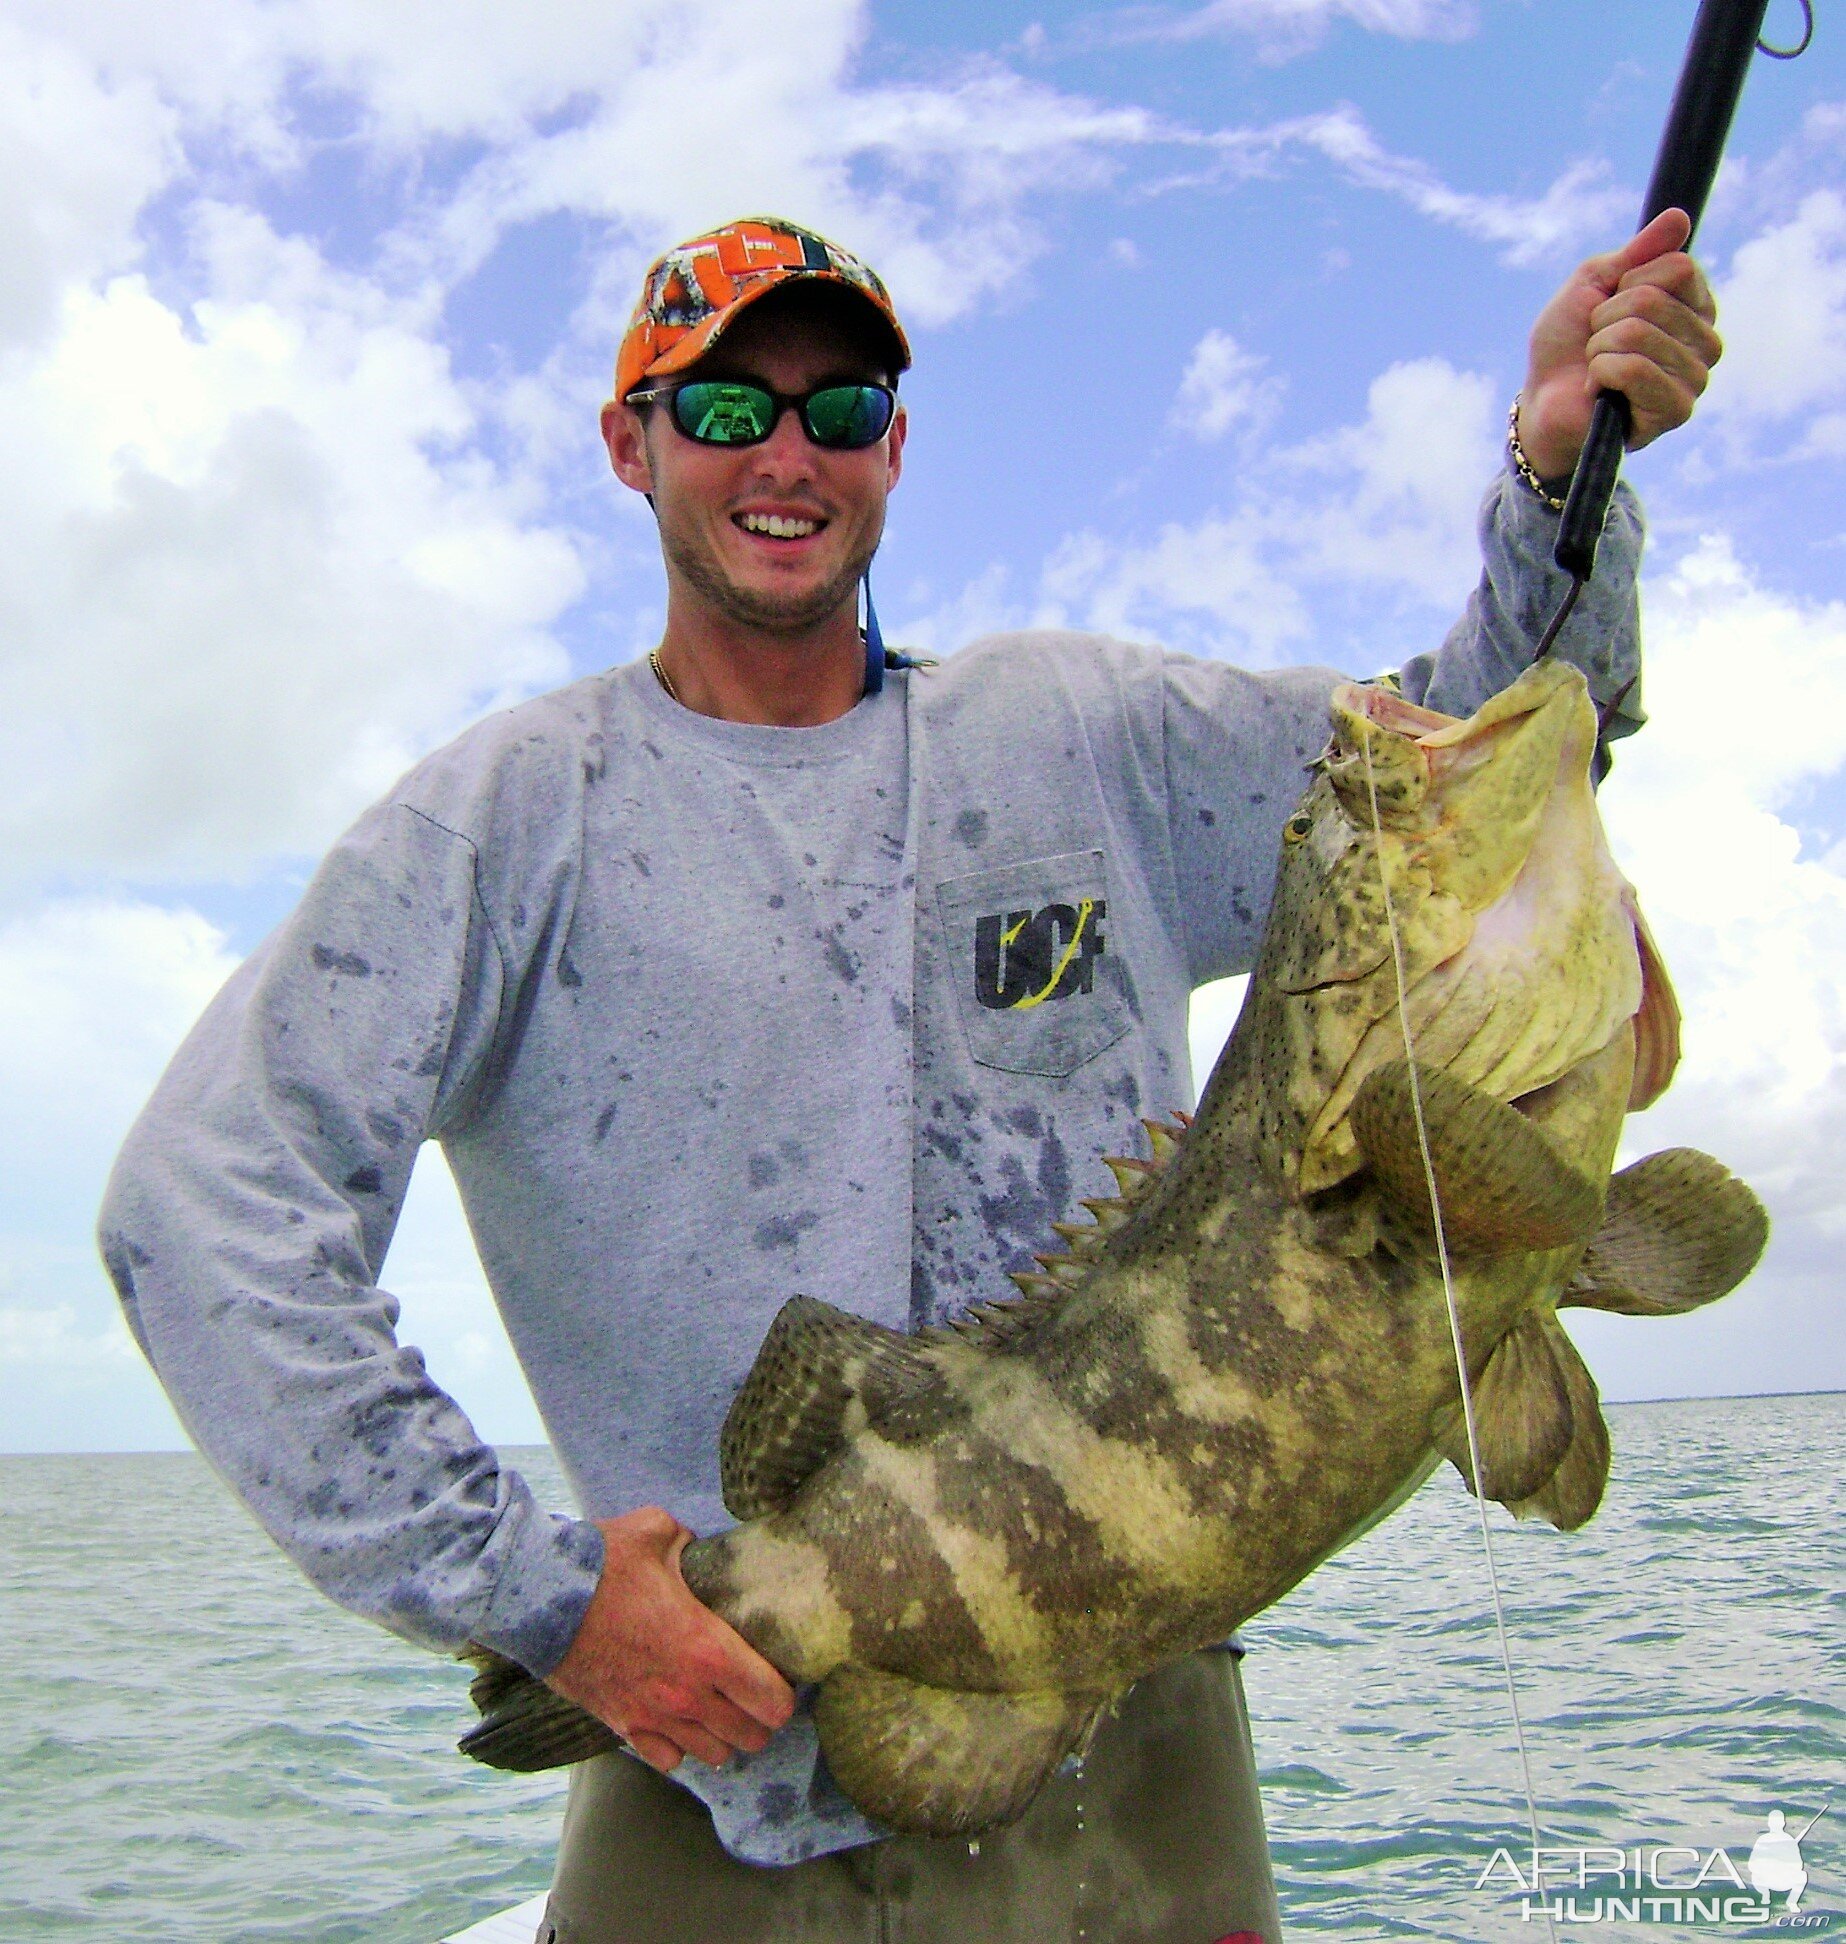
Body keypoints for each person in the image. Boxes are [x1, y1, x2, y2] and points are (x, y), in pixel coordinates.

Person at [99, 213, 1720, 1942]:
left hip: (1137, 1753)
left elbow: (1469, 760)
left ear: (895, 446)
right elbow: (201, 1219)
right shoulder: (499, 827)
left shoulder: (1084, 734)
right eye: (724, 408)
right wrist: (549, 1600)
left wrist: (1559, 473)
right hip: (700, 1760)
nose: (784, 455)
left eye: (840, 405)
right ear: (627, 442)